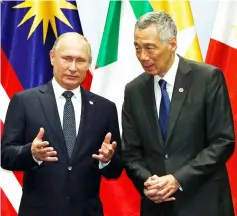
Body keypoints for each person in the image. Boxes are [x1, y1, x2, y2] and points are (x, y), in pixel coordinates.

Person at [122, 11, 235, 216]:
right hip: (157, 207)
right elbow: (131, 152)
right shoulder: (134, 90)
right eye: (137, 48)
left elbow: (222, 141)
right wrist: (148, 181)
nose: (142, 56)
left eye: (150, 48)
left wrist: (178, 179)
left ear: (172, 44)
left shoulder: (207, 79)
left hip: (203, 203)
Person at [1, 32, 122, 216]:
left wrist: (107, 161)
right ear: (52, 57)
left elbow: (115, 170)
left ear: (88, 63)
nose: (73, 68)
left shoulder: (105, 108)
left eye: (80, 61)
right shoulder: (24, 101)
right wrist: (31, 153)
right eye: (67, 59)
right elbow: (5, 156)